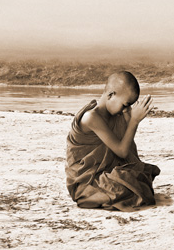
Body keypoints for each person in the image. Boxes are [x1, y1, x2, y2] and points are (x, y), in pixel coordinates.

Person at [65, 71, 160, 211]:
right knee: (128, 187)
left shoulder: (115, 113)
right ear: (111, 95)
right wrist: (134, 121)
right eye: (125, 105)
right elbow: (121, 151)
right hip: (87, 181)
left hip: (106, 173)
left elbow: (130, 151)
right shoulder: (91, 117)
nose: (125, 110)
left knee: (142, 175)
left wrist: (128, 115)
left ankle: (103, 195)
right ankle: (87, 197)